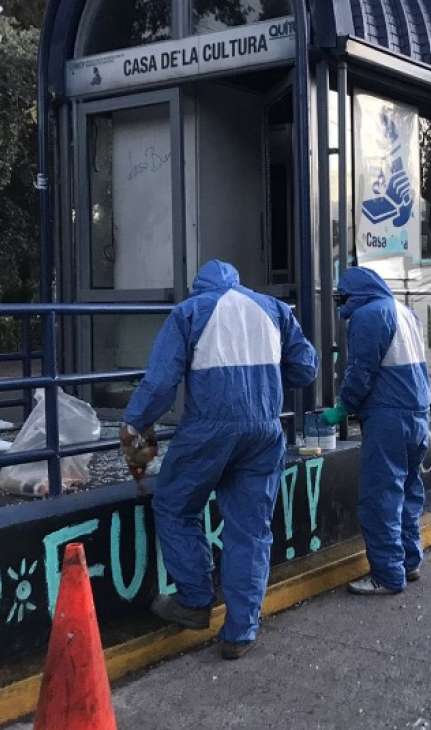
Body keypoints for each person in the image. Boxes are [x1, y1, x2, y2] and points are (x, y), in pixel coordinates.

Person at [120, 260, 317, 659]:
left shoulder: (189, 311)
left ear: (199, 287)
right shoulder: (274, 309)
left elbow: (160, 382)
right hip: (264, 430)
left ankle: (195, 600)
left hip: (209, 430)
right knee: (250, 528)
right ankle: (240, 632)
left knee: (175, 506)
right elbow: (306, 367)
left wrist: (134, 424)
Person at [321, 267, 431, 595]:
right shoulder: (405, 312)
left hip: (388, 418)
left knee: (380, 497)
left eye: (342, 297)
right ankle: (409, 561)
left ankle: (386, 575)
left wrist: (342, 407)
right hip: (417, 414)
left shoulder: (369, 316)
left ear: (356, 294)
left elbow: (361, 371)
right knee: (409, 490)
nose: (341, 304)